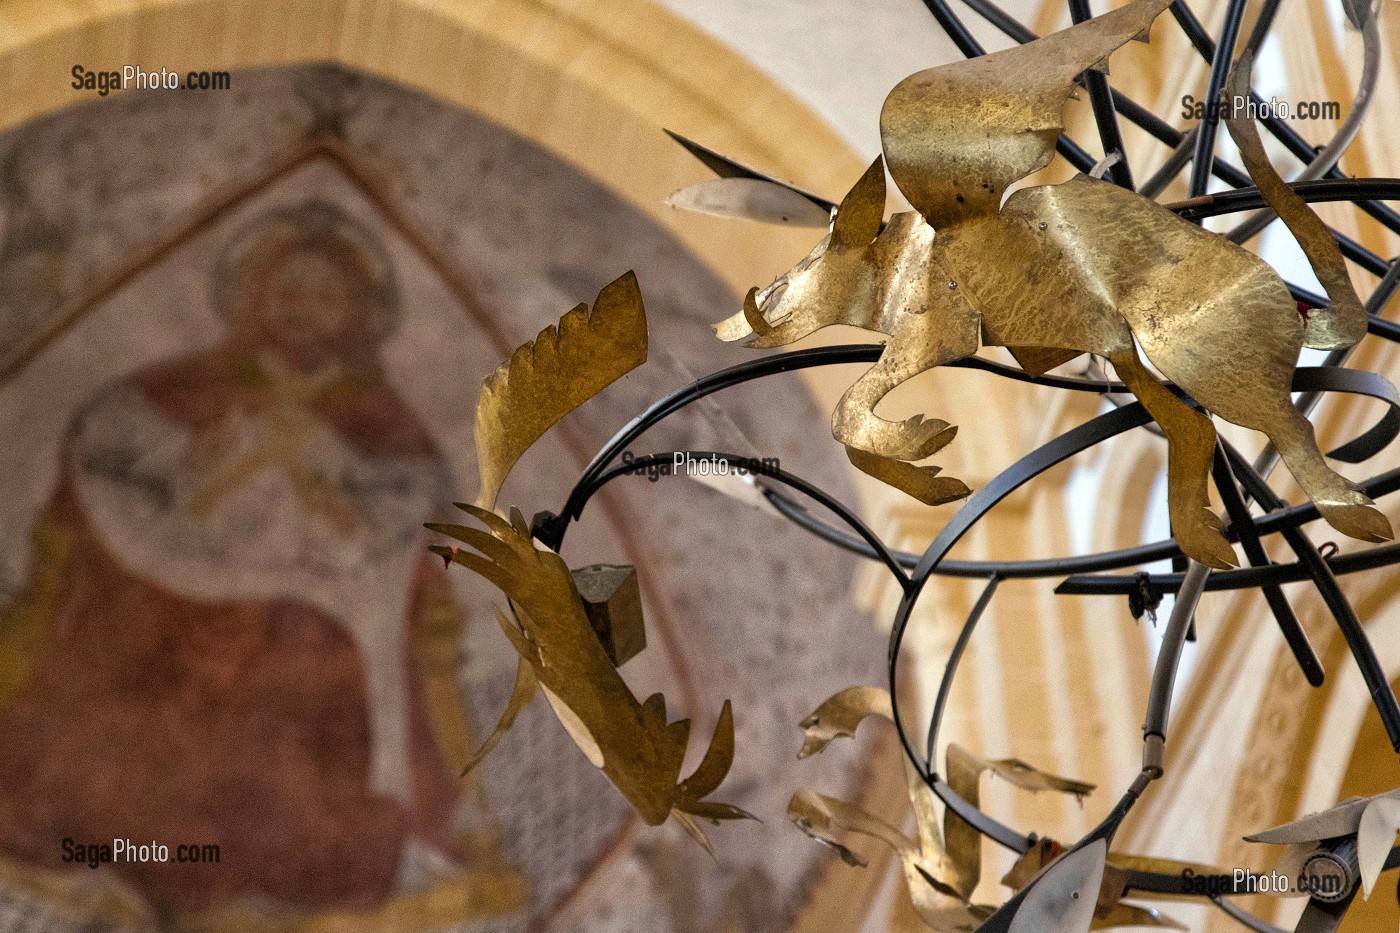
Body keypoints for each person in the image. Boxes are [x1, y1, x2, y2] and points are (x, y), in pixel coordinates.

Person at [0, 202, 525, 923]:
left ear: (358, 315)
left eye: (325, 295)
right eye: (288, 290)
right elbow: (113, 462)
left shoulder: (385, 428)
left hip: (311, 627)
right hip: (169, 602)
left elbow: (403, 527)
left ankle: (282, 871)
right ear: (252, 297)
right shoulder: (175, 391)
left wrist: (308, 469)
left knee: (314, 660)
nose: (302, 310)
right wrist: (210, 463)